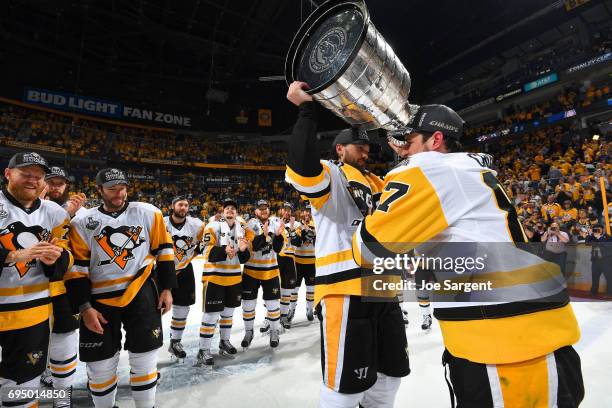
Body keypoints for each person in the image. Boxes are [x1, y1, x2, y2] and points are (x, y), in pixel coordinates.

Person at [352, 104, 583, 407]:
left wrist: (377, 200)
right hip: (524, 335)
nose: (402, 147)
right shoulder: (465, 171)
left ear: (436, 140)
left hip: (507, 348)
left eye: (410, 139)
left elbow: (369, 249)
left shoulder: (431, 169)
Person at [285, 81, 410, 408]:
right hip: (345, 290)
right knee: (345, 387)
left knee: (390, 377)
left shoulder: (379, 182)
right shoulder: (331, 175)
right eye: (358, 146)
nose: (366, 151)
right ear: (339, 149)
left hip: (384, 288)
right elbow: (301, 166)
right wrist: (306, 110)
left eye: (368, 147)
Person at [65, 168, 176, 408]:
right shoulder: (82, 222)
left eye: (122, 187)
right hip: (99, 301)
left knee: (145, 359)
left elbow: (165, 252)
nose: (119, 193)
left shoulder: (148, 212)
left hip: (142, 294)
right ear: (99, 190)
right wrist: (84, 308)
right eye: (112, 188)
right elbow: (78, 270)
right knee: (100, 365)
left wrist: (167, 288)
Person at [0, 152, 72, 408]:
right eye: (25, 174)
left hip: (38, 307)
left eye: (38, 177)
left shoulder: (56, 213)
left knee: (27, 382)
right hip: (22, 305)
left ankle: (63, 399)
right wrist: (13, 255)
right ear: (8, 174)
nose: (33, 180)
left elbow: (68, 253)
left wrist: (57, 258)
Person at [39, 166, 86, 399]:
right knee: (29, 344)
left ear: (67, 186)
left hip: (65, 286)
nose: (56, 186)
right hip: (24, 288)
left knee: (64, 339)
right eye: (51, 181)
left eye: (60, 183)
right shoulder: (24, 207)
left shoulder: (81, 213)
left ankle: (62, 397)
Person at [197, 198, 251, 366]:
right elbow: (204, 250)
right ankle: (203, 350)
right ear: (222, 211)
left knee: (228, 313)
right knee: (211, 315)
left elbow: (244, 258)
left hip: (234, 277)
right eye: (227, 208)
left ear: (236, 213)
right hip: (215, 277)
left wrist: (243, 251)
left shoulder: (242, 228)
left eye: (233, 209)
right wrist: (222, 250)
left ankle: (224, 341)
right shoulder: (212, 226)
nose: (230, 210)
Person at [164, 196, 205, 360]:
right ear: (172, 206)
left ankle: (175, 342)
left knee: (183, 307)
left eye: (186, 205)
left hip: (184, 269)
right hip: (161, 270)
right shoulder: (161, 222)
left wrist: (190, 256)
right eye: (180, 204)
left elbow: (204, 243)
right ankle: (151, 340)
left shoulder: (197, 225)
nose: (183, 207)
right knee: (153, 308)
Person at [241, 199, 284, 349]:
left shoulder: (276, 223)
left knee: (273, 305)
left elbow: (278, 249)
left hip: (270, 270)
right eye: (260, 208)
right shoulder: (249, 225)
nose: (264, 210)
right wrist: (266, 236)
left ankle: (274, 331)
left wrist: (278, 237)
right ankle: (248, 332)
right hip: (251, 271)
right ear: (255, 211)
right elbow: (254, 246)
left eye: (266, 208)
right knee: (248, 305)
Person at [277, 202, 301, 328]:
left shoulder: (296, 224)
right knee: (274, 290)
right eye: (284, 209)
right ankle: (270, 318)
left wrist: (291, 228)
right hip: (276, 259)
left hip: (290, 259)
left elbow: (297, 242)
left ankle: (284, 316)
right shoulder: (273, 221)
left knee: (287, 289)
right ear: (280, 210)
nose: (286, 212)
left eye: (289, 210)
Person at [293, 203, 316, 321]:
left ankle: (310, 309)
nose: (307, 213)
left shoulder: (316, 225)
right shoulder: (297, 226)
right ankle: (292, 309)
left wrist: (310, 233)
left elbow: (316, 240)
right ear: (301, 213)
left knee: (311, 289)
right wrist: (306, 234)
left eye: (309, 211)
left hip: (312, 262)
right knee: (294, 288)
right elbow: (296, 241)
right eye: (305, 211)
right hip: (298, 262)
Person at [585, 225, 612, 296]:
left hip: (606, 260)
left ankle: (610, 293)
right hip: (595, 260)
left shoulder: (607, 237)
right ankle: (593, 292)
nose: (596, 231)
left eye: (598, 229)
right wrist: (589, 234)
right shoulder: (593, 236)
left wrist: (599, 237)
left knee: (609, 277)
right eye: (595, 229)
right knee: (595, 277)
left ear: (602, 229)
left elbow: (606, 245)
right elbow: (587, 243)